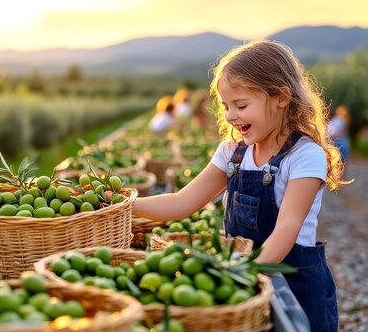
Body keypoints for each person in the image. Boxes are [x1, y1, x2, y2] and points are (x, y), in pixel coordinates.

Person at [134, 40, 347, 332]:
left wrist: (242, 273)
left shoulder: (304, 155)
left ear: (281, 97)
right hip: (243, 284)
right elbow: (183, 201)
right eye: (226, 106)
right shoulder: (232, 152)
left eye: (242, 105)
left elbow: (287, 227)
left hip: (294, 288)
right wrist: (126, 205)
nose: (231, 115)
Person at [327, 105, 351, 176]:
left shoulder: (338, 120)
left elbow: (339, 132)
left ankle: (340, 177)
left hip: (339, 142)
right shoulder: (339, 120)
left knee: (340, 161)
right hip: (340, 142)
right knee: (341, 161)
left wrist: (331, 136)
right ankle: (341, 177)